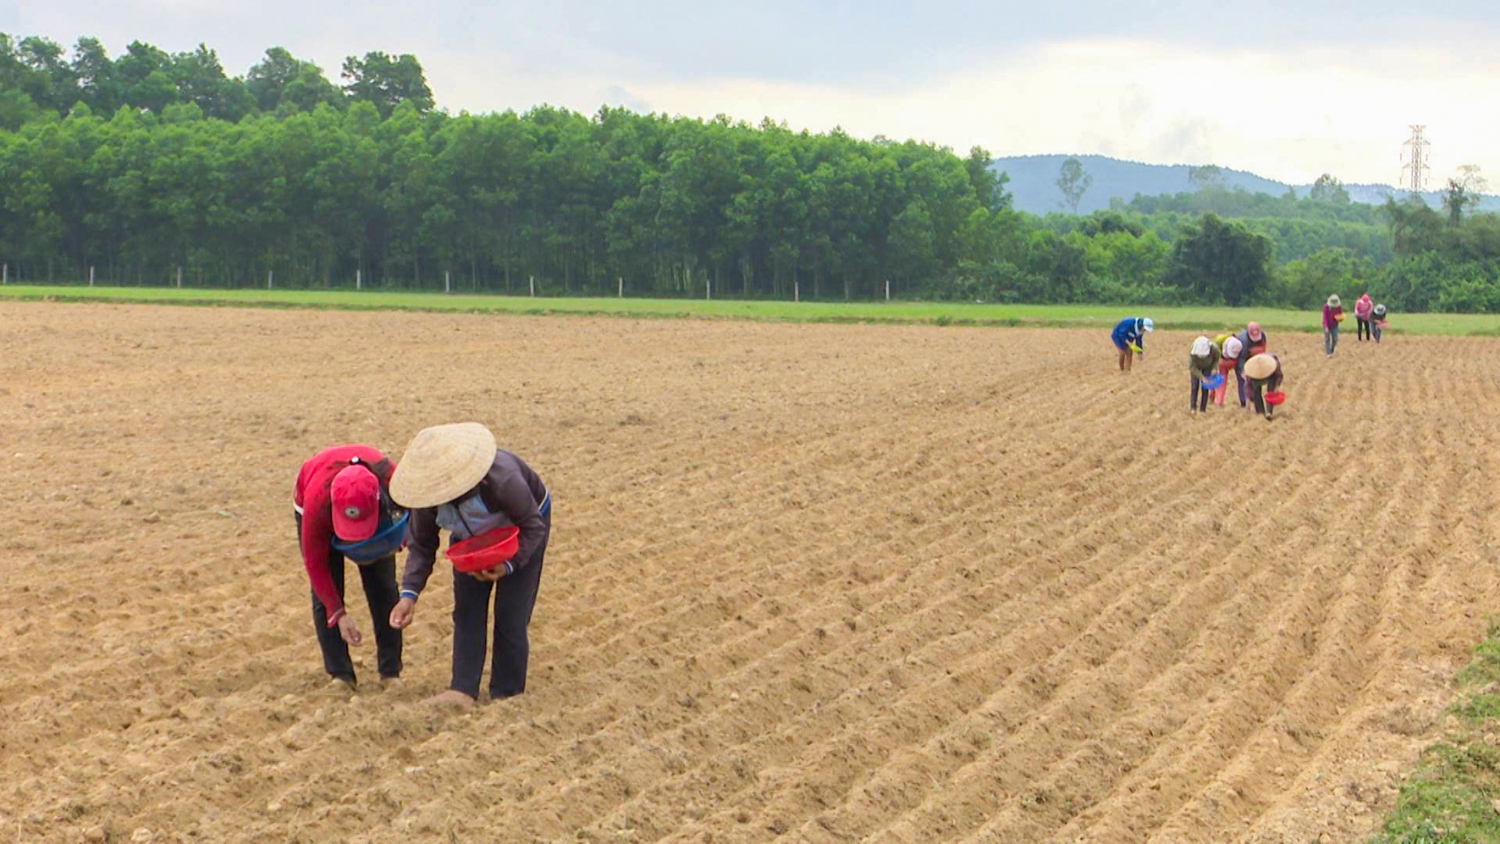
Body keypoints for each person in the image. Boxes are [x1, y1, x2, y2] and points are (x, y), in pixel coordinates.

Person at [388, 423, 551, 710]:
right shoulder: (428, 501)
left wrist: (509, 565)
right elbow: (422, 545)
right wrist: (408, 595)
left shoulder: (502, 479)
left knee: (510, 613)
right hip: (471, 537)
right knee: (467, 609)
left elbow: (532, 526)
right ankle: (462, 689)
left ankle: (507, 693)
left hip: (522, 529)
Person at [294, 445, 403, 690]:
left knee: (383, 587)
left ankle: (390, 671)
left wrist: (401, 538)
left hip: (378, 509)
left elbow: (415, 514)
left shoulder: (392, 480)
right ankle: (340, 675)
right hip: (314, 490)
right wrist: (338, 614)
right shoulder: (316, 504)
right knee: (327, 593)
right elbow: (315, 565)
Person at [1231, 323, 1269, 409]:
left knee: (1255, 380)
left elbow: (1263, 349)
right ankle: (1243, 401)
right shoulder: (1243, 340)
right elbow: (1241, 358)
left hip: (1254, 360)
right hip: (1241, 359)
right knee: (1243, 380)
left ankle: (1253, 397)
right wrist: (1242, 371)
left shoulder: (1262, 335)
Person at [1243, 353, 1284, 420]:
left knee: (1271, 391)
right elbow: (1248, 386)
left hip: (1271, 376)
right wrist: (1247, 400)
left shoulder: (1274, 364)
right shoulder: (1251, 370)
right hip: (1256, 378)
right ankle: (1260, 412)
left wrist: (1277, 386)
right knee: (1255, 391)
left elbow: (1279, 375)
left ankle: (1269, 411)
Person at [1188, 335, 1219, 414]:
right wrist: (1202, 378)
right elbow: (1192, 367)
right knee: (1194, 386)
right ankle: (1193, 408)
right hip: (1196, 368)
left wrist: (1214, 368)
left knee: (1205, 387)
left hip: (1208, 367)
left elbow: (1216, 359)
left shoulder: (1214, 348)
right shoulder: (1192, 351)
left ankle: (1203, 409)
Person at [1214, 334, 1242, 406]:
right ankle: (1244, 399)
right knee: (1241, 379)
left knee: (1221, 381)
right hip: (1234, 361)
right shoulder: (1239, 342)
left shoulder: (1220, 341)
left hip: (1223, 362)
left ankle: (1218, 400)